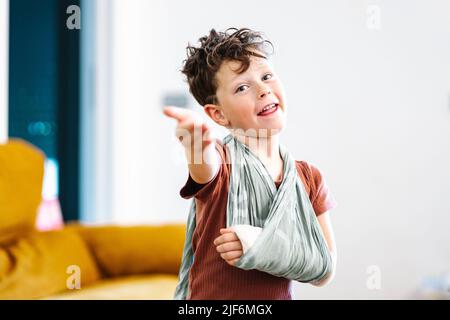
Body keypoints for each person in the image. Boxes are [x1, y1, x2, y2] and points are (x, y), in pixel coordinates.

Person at [163, 27, 338, 300]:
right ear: (218, 115)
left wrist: (260, 244)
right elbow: (204, 167)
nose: (263, 89)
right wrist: (196, 145)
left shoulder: (309, 178)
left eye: (267, 76)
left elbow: (324, 269)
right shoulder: (221, 162)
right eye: (242, 87)